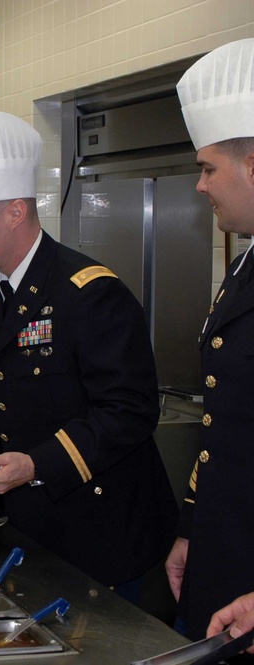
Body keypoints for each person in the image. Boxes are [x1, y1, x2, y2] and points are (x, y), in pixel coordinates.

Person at [0, 111, 178, 602]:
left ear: (14, 212)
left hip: (106, 534)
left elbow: (130, 411)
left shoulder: (88, 292)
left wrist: (37, 463)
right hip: (35, 524)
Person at [165, 38, 254, 646]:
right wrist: (193, 529)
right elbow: (223, 435)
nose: (200, 186)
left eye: (208, 167)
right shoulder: (246, 266)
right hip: (227, 552)